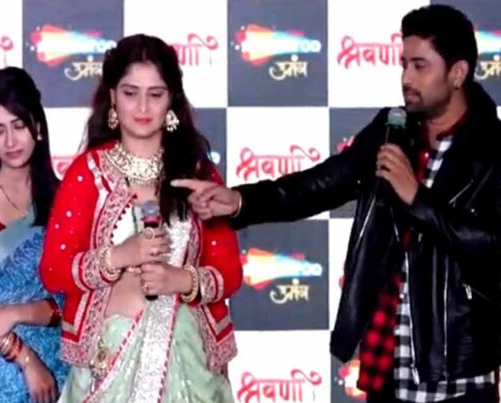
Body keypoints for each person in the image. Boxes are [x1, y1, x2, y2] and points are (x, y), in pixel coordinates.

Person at [174, 5, 501, 402]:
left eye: (420, 66)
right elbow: (318, 186)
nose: (406, 78)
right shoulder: (392, 130)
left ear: (457, 73)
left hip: (460, 374)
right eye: (404, 64)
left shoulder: (492, 148)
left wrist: (417, 199)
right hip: (387, 370)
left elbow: (492, 243)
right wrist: (241, 201)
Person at [39, 34, 242, 402]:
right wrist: (119, 256)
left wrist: (180, 279)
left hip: (186, 356)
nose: (143, 107)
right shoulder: (88, 174)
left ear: (172, 100)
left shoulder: (197, 174)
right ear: (113, 97)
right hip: (108, 358)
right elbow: (54, 270)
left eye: (156, 94)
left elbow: (229, 273)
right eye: (131, 93)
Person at [0, 67, 69, 403]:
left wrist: (14, 313)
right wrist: (24, 358)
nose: (10, 141)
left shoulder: (65, 200)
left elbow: (71, 303)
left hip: (56, 366)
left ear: (37, 126)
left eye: (18, 126)